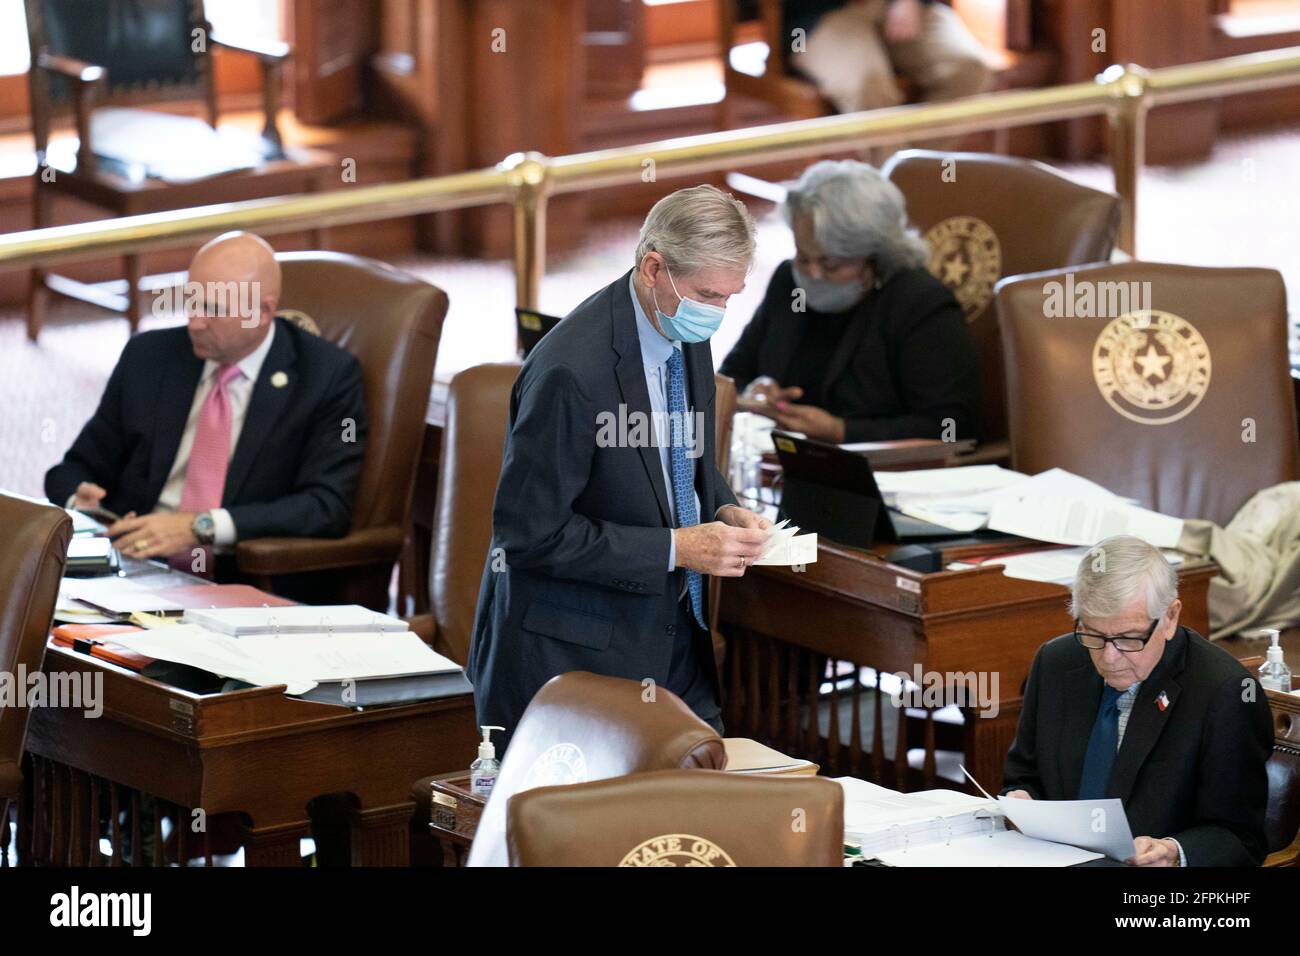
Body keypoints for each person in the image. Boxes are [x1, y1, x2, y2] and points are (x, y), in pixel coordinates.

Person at [468, 185, 772, 752]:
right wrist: (676, 549)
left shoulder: (685, 329)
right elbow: (529, 535)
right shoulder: (571, 372)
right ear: (653, 267)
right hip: (574, 663)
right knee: (600, 838)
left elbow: (684, 458)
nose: (719, 314)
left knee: (694, 822)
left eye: (732, 297)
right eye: (709, 294)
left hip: (675, 639)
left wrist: (721, 503)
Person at [45, 231, 367, 578]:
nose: (194, 322)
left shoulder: (326, 377)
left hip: (239, 581)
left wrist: (199, 526)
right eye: (192, 301)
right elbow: (71, 471)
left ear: (262, 312)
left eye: (213, 309)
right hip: (128, 567)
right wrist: (83, 503)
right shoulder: (149, 357)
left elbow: (326, 506)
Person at [1002, 535, 1274, 866]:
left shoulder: (1224, 693)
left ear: (1170, 617)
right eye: (1093, 634)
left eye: (1129, 638)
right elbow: (1023, 774)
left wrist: (1175, 853)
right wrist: (1020, 798)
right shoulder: (1056, 661)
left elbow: (1241, 838)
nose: (1109, 657)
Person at [720, 159, 979, 442]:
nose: (814, 274)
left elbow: (952, 427)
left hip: (882, 474)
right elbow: (731, 375)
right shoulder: (788, 280)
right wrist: (753, 392)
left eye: (831, 264)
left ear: (875, 256)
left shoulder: (920, 304)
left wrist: (840, 431)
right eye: (804, 257)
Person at [782, 0, 993, 115]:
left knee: (967, 69)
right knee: (869, 85)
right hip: (815, 15)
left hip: (901, 6)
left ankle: (910, 172)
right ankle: (897, 184)